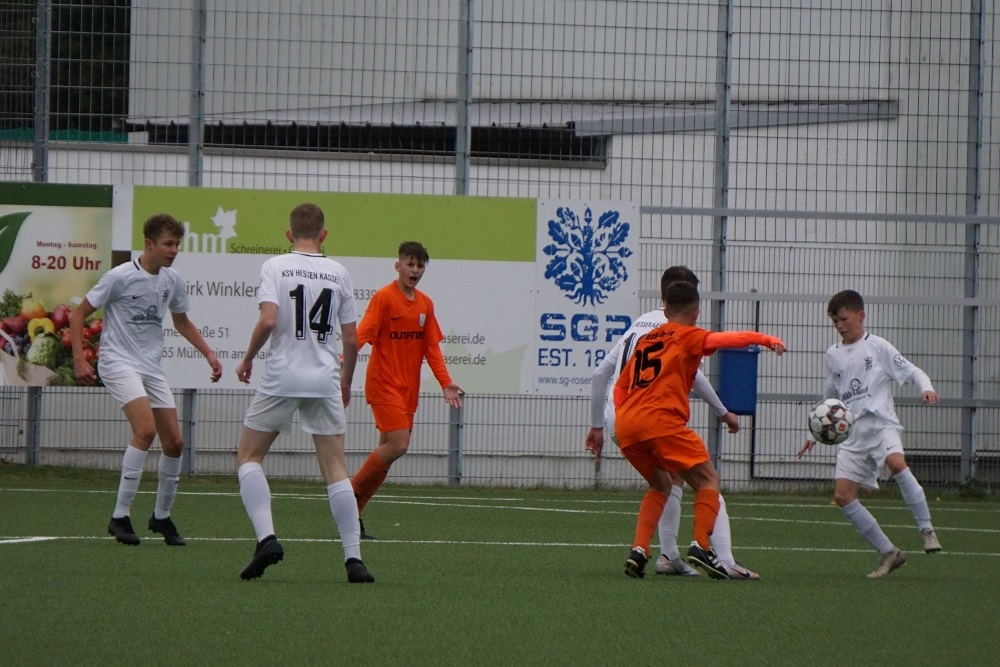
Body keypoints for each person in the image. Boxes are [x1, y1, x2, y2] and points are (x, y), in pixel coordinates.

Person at [586, 265, 759, 580]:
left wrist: (597, 425)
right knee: (705, 478)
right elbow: (697, 378)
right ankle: (721, 557)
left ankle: (664, 555)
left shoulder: (640, 323)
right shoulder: (681, 330)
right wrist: (723, 411)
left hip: (621, 417)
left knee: (667, 481)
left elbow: (600, 374)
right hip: (656, 417)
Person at [233, 203, 374, 583]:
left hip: (282, 376)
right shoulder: (339, 272)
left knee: (249, 456)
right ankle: (354, 560)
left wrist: (248, 358)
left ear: (289, 235)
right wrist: (345, 380)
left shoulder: (274, 266)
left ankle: (267, 539)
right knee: (336, 469)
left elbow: (268, 320)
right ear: (324, 235)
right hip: (323, 379)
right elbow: (351, 339)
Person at [71, 213, 223, 546]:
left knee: (175, 443)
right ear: (149, 243)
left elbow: (182, 322)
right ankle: (119, 516)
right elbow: (78, 314)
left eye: (177, 244)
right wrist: (80, 358)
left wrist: (209, 354)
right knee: (145, 430)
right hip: (118, 363)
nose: (174, 250)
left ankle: (161, 517)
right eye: (168, 244)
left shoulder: (172, 280)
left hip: (151, 367)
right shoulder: (120, 276)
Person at [797, 289, 942, 578]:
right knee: (843, 496)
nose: (839, 326)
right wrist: (813, 434)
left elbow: (913, 371)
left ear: (861, 315)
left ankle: (927, 530)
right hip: (852, 434)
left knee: (897, 463)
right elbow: (829, 397)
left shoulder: (878, 347)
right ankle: (889, 553)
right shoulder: (833, 354)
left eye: (844, 319)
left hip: (880, 425)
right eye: (835, 321)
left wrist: (926, 388)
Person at [351, 241, 463, 538]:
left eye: (420, 265)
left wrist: (445, 382)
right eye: (410, 264)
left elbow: (431, 349)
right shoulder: (384, 298)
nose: (415, 270)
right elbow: (364, 332)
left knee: (387, 454)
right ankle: (347, 497)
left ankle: (353, 516)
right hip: (383, 383)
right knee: (399, 445)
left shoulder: (425, 304)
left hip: (408, 390)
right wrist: (343, 359)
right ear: (398, 266)